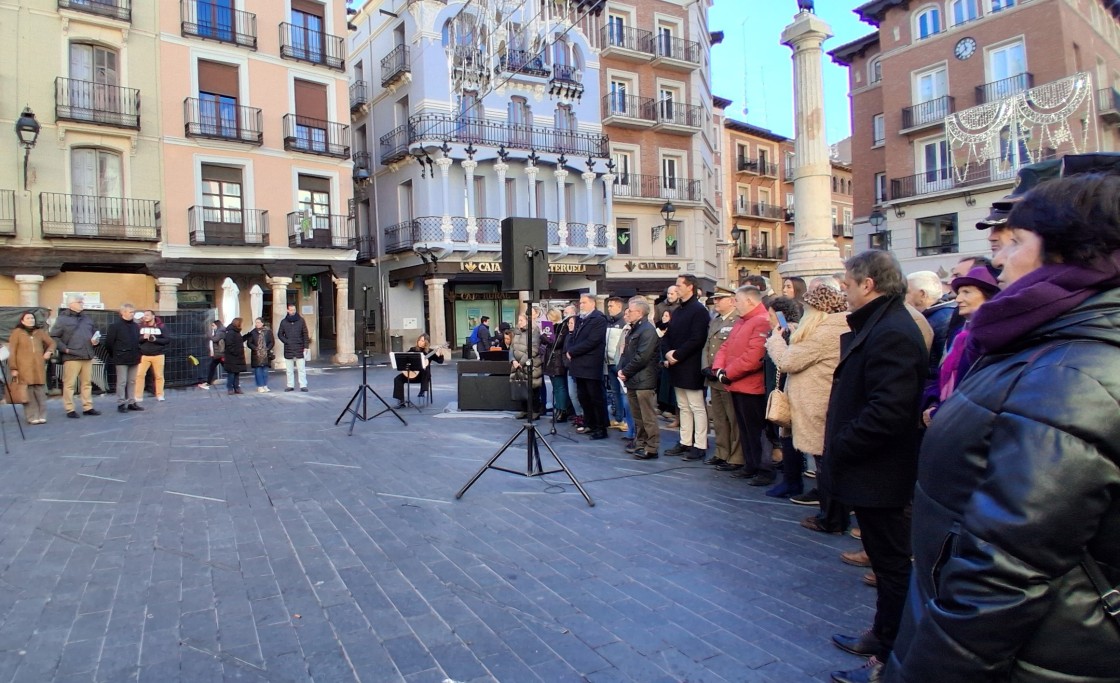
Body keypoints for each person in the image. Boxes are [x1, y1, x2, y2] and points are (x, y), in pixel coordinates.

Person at [885, 173, 1120, 683]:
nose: (998, 259)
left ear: (1069, 251)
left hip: (1037, 651)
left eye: (1014, 242)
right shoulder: (1046, 345)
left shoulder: (1070, 373)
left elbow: (1005, 569)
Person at [824, 250, 928, 683]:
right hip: (871, 469)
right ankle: (883, 634)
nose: (844, 293)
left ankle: (891, 653)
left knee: (891, 565)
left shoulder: (893, 330)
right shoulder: (882, 324)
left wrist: (843, 446)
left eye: (847, 285)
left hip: (880, 471)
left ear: (868, 284)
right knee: (886, 565)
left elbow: (888, 410)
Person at [764, 285, 848, 501]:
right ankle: (825, 501)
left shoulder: (825, 331)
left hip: (816, 400)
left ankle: (829, 509)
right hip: (812, 398)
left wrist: (774, 341)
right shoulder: (833, 328)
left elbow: (788, 361)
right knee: (818, 453)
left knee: (822, 456)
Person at [920, 266, 1000, 426]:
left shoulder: (994, 336)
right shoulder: (959, 334)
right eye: (959, 292)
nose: (958, 299)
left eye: (967, 292)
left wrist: (940, 411)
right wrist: (933, 403)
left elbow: (976, 389)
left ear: (988, 296)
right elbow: (942, 374)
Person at [712, 286, 771, 483]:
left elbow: (754, 357)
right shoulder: (742, 321)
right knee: (745, 430)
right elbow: (725, 347)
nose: (734, 304)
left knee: (756, 431)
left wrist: (727, 373)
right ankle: (750, 464)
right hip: (736, 384)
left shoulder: (761, 321)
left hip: (751, 387)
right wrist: (719, 369)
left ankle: (763, 469)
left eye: (737, 300)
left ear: (750, 302)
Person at [662, 274, 711, 461]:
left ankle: (699, 445)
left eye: (679, 284)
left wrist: (677, 355)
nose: (676, 287)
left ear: (690, 287)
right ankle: (685, 441)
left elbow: (697, 339)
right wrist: (668, 353)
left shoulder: (699, 310)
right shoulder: (678, 310)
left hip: (690, 365)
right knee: (683, 406)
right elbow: (667, 334)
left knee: (696, 406)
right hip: (677, 364)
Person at [702, 290, 742, 470]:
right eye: (715, 299)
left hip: (726, 376)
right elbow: (707, 345)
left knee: (732, 418)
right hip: (712, 375)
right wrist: (705, 366)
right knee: (718, 418)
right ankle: (721, 452)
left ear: (732, 300)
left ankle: (736, 456)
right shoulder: (716, 320)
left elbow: (734, 350)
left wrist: (721, 371)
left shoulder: (737, 320)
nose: (716, 302)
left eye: (720, 299)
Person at [617, 297, 660, 459]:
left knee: (648, 416)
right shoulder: (634, 329)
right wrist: (622, 369)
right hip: (634, 378)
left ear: (640, 312)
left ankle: (652, 447)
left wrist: (626, 371)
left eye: (631, 310)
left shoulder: (647, 330)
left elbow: (642, 356)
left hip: (643, 379)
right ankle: (640, 442)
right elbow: (627, 352)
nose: (627, 313)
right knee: (638, 416)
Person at [50, 294, 102, 419]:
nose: (82, 304)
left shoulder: (87, 319)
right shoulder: (62, 319)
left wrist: (96, 341)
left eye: (82, 302)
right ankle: (70, 409)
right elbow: (54, 336)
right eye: (79, 302)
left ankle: (87, 407)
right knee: (69, 384)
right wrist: (65, 349)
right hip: (71, 356)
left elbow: (94, 332)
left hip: (87, 354)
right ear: (71, 304)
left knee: (87, 383)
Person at [565, 294, 609, 440]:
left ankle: (600, 427)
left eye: (583, 303)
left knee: (595, 397)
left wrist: (573, 351)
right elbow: (572, 336)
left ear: (592, 303)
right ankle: (589, 423)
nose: (581, 305)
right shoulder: (580, 320)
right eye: (580, 303)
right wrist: (569, 349)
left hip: (591, 364)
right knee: (583, 397)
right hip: (578, 364)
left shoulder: (599, 319)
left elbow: (593, 341)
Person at [7, 310, 56, 424]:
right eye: (28, 318)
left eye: (32, 318)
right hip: (23, 368)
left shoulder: (39, 332)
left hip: (38, 367)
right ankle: (31, 416)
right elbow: (12, 351)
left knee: (40, 392)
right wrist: (13, 368)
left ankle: (42, 415)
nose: (31, 320)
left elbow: (52, 343)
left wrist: (49, 352)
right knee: (28, 393)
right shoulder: (17, 333)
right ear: (22, 320)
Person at [905, 271, 955, 376]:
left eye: (906, 292)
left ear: (922, 294)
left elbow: (944, 365)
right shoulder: (938, 315)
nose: (902, 298)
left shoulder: (940, 320)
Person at [104, 303, 143, 414]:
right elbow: (109, 343)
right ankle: (121, 403)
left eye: (133, 312)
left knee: (132, 381)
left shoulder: (135, 326)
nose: (132, 314)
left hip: (134, 356)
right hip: (121, 357)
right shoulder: (115, 326)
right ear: (123, 313)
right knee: (122, 381)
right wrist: (115, 354)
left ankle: (131, 402)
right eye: (130, 312)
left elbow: (137, 341)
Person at [393, 333, 443, 408]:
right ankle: (401, 401)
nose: (420, 342)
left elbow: (440, 361)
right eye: (419, 340)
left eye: (422, 341)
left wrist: (440, 354)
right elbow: (405, 359)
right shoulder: (412, 350)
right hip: (411, 374)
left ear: (426, 342)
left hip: (423, 377)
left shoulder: (430, 352)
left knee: (425, 370)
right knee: (397, 379)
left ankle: (422, 391)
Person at [541, 308, 571, 422]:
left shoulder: (561, 327)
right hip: (551, 359)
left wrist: (544, 336)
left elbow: (556, 343)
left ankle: (562, 410)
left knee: (560, 387)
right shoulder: (552, 328)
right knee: (556, 387)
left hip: (557, 360)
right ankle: (558, 409)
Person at [509, 315, 542, 419]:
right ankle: (524, 410)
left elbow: (533, 349)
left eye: (521, 320)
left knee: (533, 387)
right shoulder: (516, 331)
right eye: (518, 320)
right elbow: (512, 347)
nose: (519, 322)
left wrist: (521, 362)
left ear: (527, 320)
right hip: (517, 364)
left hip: (530, 364)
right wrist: (513, 360)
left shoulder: (534, 330)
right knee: (521, 386)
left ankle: (535, 411)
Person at [135, 309, 170, 403]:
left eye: (147, 315)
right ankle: (138, 396)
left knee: (159, 376)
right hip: (143, 355)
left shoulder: (161, 326)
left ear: (153, 316)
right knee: (139, 375)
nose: (145, 317)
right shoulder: (140, 326)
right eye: (144, 315)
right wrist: (143, 338)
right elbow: (135, 339)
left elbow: (167, 340)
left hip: (158, 355)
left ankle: (160, 395)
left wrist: (155, 340)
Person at [603, 296, 627, 429]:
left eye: (611, 306)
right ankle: (619, 418)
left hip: (619, 363)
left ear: (619, 306)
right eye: (608, 306)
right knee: (615, 391)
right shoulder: (609, 322)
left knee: (623, 392)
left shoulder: (624, 322)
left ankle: (626, 419)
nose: (609, 308)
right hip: (609, 362)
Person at [277, 304, 310, 392]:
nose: (293, 311)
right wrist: (286, 341)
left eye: (294, 310)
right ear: (288, 310)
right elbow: (280, 334)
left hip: (299, 347)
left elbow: (305, 333)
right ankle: (290, 385)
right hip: (288, 348)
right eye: (291, 310)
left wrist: (306, 346)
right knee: (289, 369)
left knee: (301, 369)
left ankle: (303, 385)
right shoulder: (283, 322)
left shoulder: (301, 320)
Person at [245, 317, 275, 393]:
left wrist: (267, 348)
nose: (257, 324)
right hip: (256, 354)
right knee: (258, 370)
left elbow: (272, 341)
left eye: (258, 322)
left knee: (265, 370)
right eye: (256, 322)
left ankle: (265, 385)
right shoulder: (252, 332)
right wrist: (255, 348)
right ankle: (260, 386)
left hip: (265, 354)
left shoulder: (268, 332)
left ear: (262, 323)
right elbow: (249, 343)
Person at [222, 318, 247, 395]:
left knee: (236, 373)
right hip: (232, 357)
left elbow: (238, 341)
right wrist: (236, 352)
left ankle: (237, 388)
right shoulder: (231, 332)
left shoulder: (236, 332)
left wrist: (246, 336)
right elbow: (229, 345)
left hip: (237, 356)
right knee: (231, 373)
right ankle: (230, 388)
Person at [198, 319, 225, 389]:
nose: (212, 327)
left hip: (219, 354)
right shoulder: (217, 331)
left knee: (214, 368)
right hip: (217, 354)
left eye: (213, 325)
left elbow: (215, 339)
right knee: (213, 368)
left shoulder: (220, 332)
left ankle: (208, 382)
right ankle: (208, 382)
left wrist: (209, 335)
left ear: (217, 325)